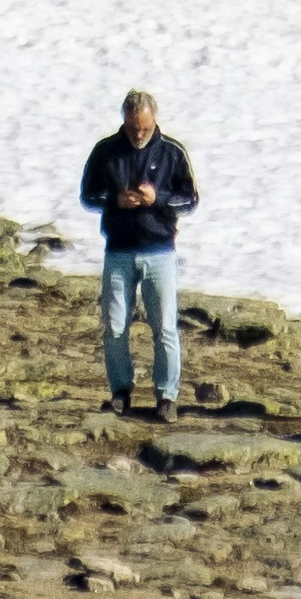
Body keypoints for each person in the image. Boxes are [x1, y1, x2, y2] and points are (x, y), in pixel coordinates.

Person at [78, 84, 199, 415]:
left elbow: (190, 199)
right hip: (118, 250)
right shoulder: (106, 151)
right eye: (133, 128)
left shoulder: (172, 152)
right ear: (124, 121)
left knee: (165, 327)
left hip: (159, 251)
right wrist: (114, 200)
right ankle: (120, 391)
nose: (139, 134)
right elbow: (88, 194)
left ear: (154, 119)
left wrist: (157, 199)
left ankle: (167, 396)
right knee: (115, 326)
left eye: (144, 128)